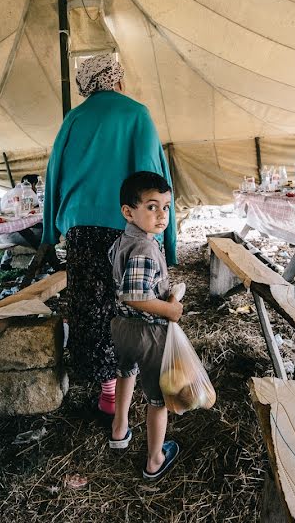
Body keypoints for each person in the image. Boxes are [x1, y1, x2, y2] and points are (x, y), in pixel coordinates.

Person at [41, 53, 176, 418]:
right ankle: (130, 390)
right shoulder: (136, 114)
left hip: (81, 228)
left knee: (91, 307)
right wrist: (168, 239)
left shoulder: (74, 118)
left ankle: (107, 391)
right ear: (117, 79)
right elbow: (153, 179)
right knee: (131, 305)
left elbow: (54, 173)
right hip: (127, 225)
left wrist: (49, 232)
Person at [107, 172, 182, 480]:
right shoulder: (146, 249)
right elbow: (135, 296)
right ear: (129, 211)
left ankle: (119, 429)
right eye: (152, 207)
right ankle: (154, 459)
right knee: (158, 398)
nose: (162, 215)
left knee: (126, 372)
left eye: (166, 206)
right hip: (147, 332)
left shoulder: (124, 240)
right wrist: (171, 309)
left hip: (121, 328)